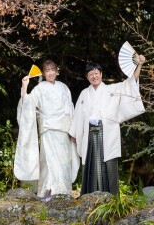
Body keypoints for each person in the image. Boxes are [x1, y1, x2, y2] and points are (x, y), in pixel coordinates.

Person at [69, 55, 146, 195]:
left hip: (107, 133)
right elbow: (78, 115)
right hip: (90, 134)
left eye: (96, 73)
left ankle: (111, 198)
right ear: (87, 77)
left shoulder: (112, 89)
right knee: (91, 165)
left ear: (101, 74)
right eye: (90, 74)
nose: (94, 76)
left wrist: (139, 65)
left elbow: (131, 84)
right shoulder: (84, 94)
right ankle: (90, 197)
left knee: (108, 163)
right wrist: (74, 133)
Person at [13, 60, 79, 200]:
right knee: (48, 161)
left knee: (63, 161)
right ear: (43, 73)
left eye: (53, 69)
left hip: (64, 130)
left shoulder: (64, 87)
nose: (51, 73)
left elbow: (71, 110)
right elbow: (28, 104)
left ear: (56, 71)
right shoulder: (39, 88)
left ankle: (63, 192)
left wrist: (73, 130)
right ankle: (47, 192)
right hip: (48, 129)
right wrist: (24, 87)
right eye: (47, 70)